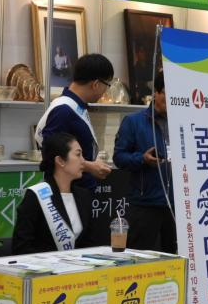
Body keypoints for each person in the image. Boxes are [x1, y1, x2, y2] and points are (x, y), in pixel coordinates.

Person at [113, 71, 177, 253]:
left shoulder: (184, 124)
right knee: (139, 258)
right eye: (167, 93)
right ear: (155, 92)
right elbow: (119, 157)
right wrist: (142, 159)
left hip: (178, 205)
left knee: (174, 259)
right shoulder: (133, 122)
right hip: (145, 203)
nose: (172, 99)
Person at [34, 53, 113, 191]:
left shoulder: (77, 106)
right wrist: (89, 166)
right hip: (69, 191)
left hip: (79, 190)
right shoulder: (64, 110)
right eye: (107, 85)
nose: (105, 91)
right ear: (96, 84)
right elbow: (52, 154)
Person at [12, 132, 96, 254]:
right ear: (60, 161)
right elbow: (21, 247)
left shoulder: (84, 196)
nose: (83, 161)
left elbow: (91, 244)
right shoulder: (36, 196)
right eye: (78, 155)